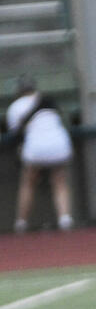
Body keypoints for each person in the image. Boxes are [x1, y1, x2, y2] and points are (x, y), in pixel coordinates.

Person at [4, 76, 74, 233]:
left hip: (35, 147)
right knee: (60, 182)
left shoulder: (15, 106)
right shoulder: (47, 101)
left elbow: (15, 134)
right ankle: (65, 219)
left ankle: (21, 223)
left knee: (28, 183)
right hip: (59, 144)